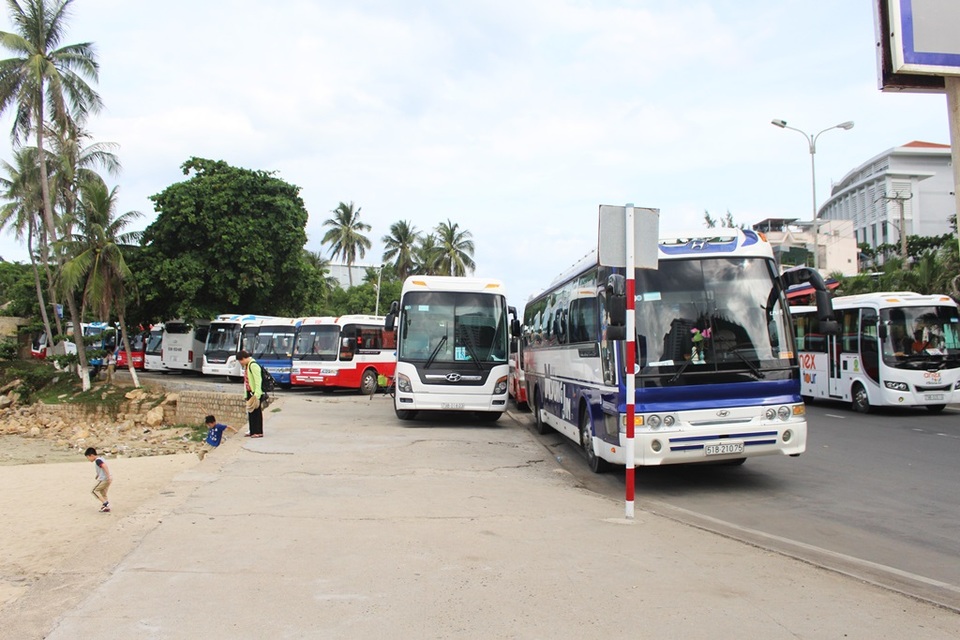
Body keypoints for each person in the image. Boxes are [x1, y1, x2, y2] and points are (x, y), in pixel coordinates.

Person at [237, 349, 265, 438]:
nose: (240, 363)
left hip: (255, 393)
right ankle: (252, 431)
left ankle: (258, 431)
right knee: (251, 412)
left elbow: (258, 380)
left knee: (256, 412)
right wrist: (246, 394)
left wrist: (257, 394)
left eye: (240, 361)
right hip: (250, 392)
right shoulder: (247, 366)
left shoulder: (253, 365)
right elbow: (247, 381)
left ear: (243, 358)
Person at [85, 447, 112, 513]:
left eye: (88, 457)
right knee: (103, 493)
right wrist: (98, 475)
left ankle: (105, 503)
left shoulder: (97, 460)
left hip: (104, 479)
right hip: (108, 478)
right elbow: (101, 468)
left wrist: (108, 476)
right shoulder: (101, 458)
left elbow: (104, 466)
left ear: (91, 455)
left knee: (94, 491)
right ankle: (106, 508)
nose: (88, 459)